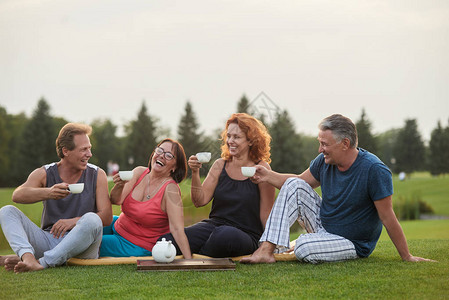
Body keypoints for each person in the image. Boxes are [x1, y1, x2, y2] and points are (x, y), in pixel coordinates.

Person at [241, 114, 434, 264]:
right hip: (323, 226)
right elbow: (299, 182)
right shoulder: (324, 161)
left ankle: (298, 244)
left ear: (345, 144)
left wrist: (406, 256)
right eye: (319, 143)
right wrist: (268, 175)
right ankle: (266, 250)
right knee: (294, 185)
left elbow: (387, 217)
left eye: (324, 144)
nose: (320, 149)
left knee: (303, 248)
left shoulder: (374, 170)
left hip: (352, 242)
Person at [0, 123, 112, 273]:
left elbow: (105, 217)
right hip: (49, 239)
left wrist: (73, 222)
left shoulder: (97, 174)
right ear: (66, 151)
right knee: (7, 211)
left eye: (89, 148)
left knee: (93, 219)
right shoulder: (45, 173)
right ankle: (28, 258)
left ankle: (42, 262)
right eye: (84, 149)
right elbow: (18, 195)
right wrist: (49, 193)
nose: (89, 154)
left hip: (83, 247)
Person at [161, 113, 275, 258]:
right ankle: (202, 253)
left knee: (224, 236)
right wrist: (195, 172)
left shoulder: (261, 168)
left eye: (237, 137)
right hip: (213, 226)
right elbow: (199, 201)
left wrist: (268, 246)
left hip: (245, 234)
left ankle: (198, 257)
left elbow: (266, 214)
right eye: (229, 136)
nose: (230, 141)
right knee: (168, 241)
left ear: (251, 141)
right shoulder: (220, 165)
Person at [100, 138, 192, 259]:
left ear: (174, 167)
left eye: (169, 155)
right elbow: (116, 200)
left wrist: (189, 260)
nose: (161, 156)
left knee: (89, 243)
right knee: (88, 226)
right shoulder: (139, 172)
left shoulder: (170, 190)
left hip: (136, 244)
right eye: (159, 151)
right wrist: (120, 186)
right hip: (118, 225)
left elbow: (177, 229)